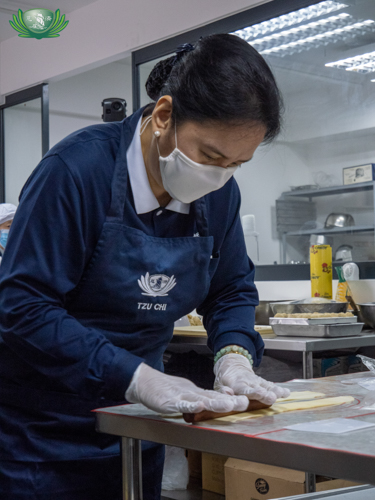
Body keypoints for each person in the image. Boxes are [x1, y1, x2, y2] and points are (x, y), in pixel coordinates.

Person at [0, 33, 289, 500]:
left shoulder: (217, 194)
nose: (219, 175)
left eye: (237, 163)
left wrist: (234, 354)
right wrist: (135, 376)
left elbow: (231, 287)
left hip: (139, 432)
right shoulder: (77, 171)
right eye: (211, 156)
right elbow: (23, 307)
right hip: (42, 437)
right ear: (163, 115)